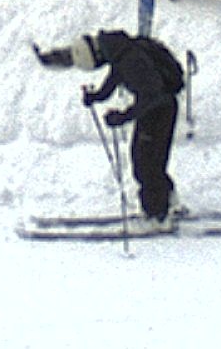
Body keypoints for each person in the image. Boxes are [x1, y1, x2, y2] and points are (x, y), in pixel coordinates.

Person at [72, 30, 185, 231]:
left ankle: (158, 216)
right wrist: (96, 96)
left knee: (147, 166)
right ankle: (167, 201)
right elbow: (114, 80)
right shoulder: (121, 51)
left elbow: (151, 95)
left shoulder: (130, 60)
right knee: (147, 160)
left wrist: (122, 117)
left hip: (160, 111)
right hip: (156, 109)